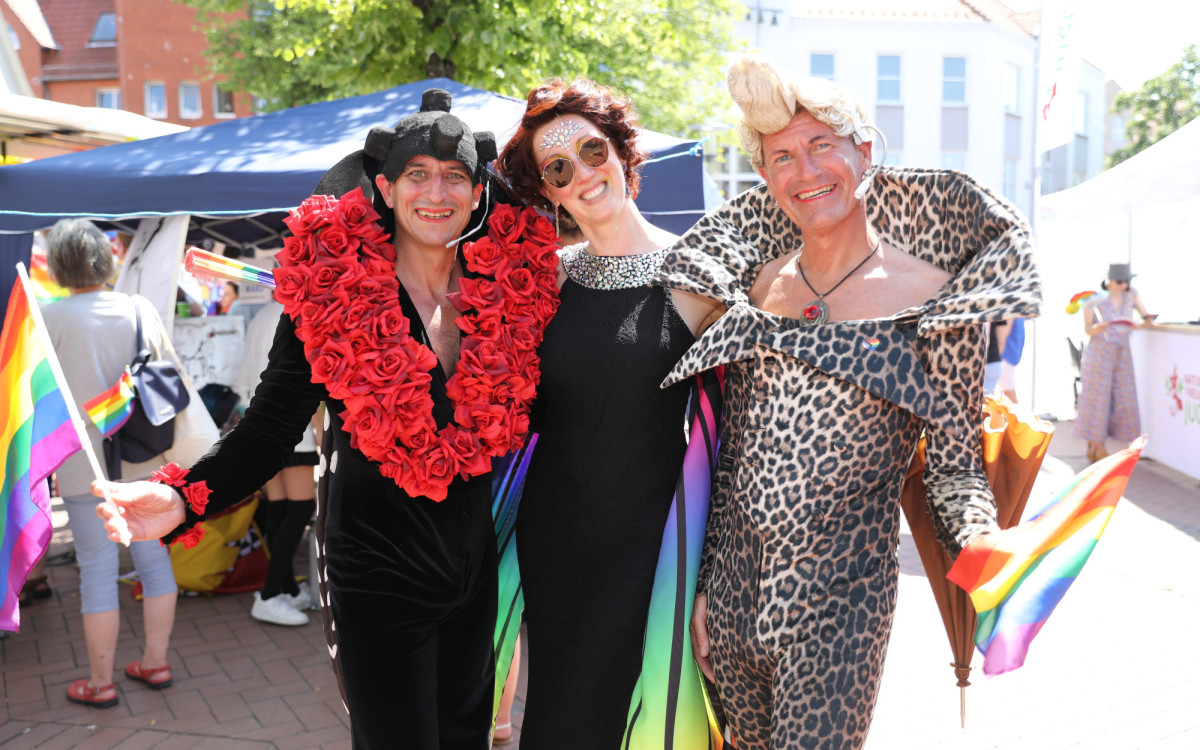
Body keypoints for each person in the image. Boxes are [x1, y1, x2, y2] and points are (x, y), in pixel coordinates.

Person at [93, 90, 550, 749]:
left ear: (478, 194)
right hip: (375, 571)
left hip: (475, 574)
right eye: (417, 174)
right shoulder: (335, 291)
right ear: (386, 187)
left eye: (455, 176)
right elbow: (269, 427)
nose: (436, 192)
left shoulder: (504, 297)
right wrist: (180, 498)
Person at [653, 56, 1041, 749]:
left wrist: (982, 540)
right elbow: (731, 456)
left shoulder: (934, 300)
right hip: (736, 597)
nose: (804, 172)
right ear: (765, 179)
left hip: (842, 602)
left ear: (862, 151)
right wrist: (706, 587)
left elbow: (954, 469)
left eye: (820, 146)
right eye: (781, 158)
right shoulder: (753, 287)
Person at [494, 78, 722, 749]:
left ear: (622, 151)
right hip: (553, 547)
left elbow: (730, 442)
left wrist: (712, 577)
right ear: (549, 192)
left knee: (648, 724)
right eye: (558, 169)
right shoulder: (543, 281)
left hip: (652, 552)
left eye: (593, 151)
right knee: (561, 722)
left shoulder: (698, 276)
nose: (584, 175)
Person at [40, 218, 179, 708]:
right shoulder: (139, 309)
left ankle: (101, 684)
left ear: (59, 264)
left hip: (83, 467)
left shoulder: (48, 318)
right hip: (146, 459)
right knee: (154, 561)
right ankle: (156, 661)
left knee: (96, 571)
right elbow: (169, 383)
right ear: (105, 257)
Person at [235, 298, 321, 627]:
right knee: (299, 508)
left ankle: (284, 587)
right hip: (292, 428)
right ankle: (271, 593)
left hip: (261, 423)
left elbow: (243, 375)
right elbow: (307, 379)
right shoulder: (299, 314)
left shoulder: (260, 316)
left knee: (279, 507)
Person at [1074, 263, 1155, 463]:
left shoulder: (1132, 295)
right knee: (1098, 398)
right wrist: (1099, 327)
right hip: (1100, 351)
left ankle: (1100, 445)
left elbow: (1146, 318)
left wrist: (1142, 322)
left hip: (1122, 352)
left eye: (1127, 281)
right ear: (1109, 281)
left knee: (1124, 397)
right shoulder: (1095, 300)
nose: (1124, 285)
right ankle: (1097, 445)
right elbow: (1088, 330)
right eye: (1120, 281)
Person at [999, 317, 1026, 402]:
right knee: (1009, 394)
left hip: (1005, 354)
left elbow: (1003, 334)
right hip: (1011, 353)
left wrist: (996, 356)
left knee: (1010, 396)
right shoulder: (1018, 309)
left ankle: (1019, 415)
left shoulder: (1010, 308)